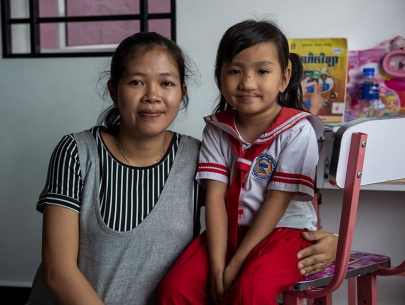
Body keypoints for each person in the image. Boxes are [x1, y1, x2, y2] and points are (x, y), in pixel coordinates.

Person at [26, 31, 337, 305]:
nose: (152, 96)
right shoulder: (78, 153)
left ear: (182, 93)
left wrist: (332, 242)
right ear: (113, 89)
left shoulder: (192, 155)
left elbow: (250, 206)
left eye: (166, 83)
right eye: (136, 81)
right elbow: (58, 272)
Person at [158, 20, 328, 305]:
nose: (247, 83)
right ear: (219, 76)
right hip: (229, 233)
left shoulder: (298, 129)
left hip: (285, 234)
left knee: (250, 291)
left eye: (262, 71)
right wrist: (217, 266)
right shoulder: (217, 129)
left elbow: (277, 202)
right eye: (235, 71)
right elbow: (215, 198)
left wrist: (234, 264)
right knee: (176, 287)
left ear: (284, 77)